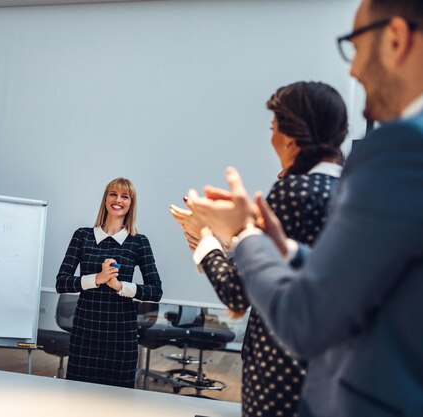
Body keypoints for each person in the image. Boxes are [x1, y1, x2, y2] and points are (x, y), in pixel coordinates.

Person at [184, 1, 423, 415]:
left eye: (356, 45)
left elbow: (302, 317)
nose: (353, 69)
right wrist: (287, 248)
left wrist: (237, 235)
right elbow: (364, 276)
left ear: (396, 38)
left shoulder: (400, 151)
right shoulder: (352, 176)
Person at [171, 81, 347, 417]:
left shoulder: (292, 191)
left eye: (273, 126)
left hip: (279, 371)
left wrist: (204, 239)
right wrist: (235, 237)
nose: (271, 138)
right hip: (332, 374)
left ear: (290, 136)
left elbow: (238, 293)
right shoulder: (350, 191)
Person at [56, 177, 162, 388]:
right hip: (85, 331)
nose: (118, 200)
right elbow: (62, 283)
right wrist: (97, 279)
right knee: (77, 396)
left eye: (125, 196)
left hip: (121, 335)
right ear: (105, 199)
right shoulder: (82, 236)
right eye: (113, 194)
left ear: (131, 204)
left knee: (118, 401)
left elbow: (155, 291)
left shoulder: (138, 242)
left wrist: (120, 287)